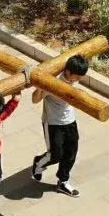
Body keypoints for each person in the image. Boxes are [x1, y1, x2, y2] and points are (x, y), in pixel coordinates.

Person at [31, 55, 89, 198]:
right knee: (55, 155)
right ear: (68, 72)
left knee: (71, 152)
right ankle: (38, 162)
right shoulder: (54, 83)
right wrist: (40, 87)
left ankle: (63, 182)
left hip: (70, 120)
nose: (78, 80)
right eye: (77, 77)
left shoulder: (71, 77)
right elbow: (35, 99)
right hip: (53, 123)